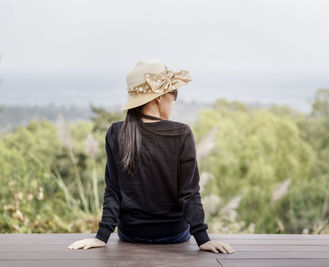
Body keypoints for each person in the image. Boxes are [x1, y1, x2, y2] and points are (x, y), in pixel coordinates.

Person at [68, 60, 235, 254]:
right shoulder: (181, 133)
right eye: (174, 93)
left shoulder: (116, 132)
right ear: (158, 97)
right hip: (173, 236)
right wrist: (203, 239)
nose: (174, 99)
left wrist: (102, 236)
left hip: (130, 234)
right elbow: (189, 193)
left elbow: (113, 190)